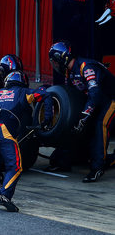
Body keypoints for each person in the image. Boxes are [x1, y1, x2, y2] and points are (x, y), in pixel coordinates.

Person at [0, 71, 52, 212]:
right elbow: (45, 95)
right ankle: (4, 195)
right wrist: (47, 120)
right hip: (2, 130)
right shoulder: (23, 92)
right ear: (23, 82)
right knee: (15, 166)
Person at [49, 41, 115, 182]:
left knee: (100, 125)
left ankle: (98, 168)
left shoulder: (86, 67)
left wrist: (85, 115)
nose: (54, 65)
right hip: (96, 101)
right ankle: (62, 161)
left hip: (111, 99)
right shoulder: (69, 73)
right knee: (73, 124)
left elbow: (95, 93)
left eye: (55, 61)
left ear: (62, 59)